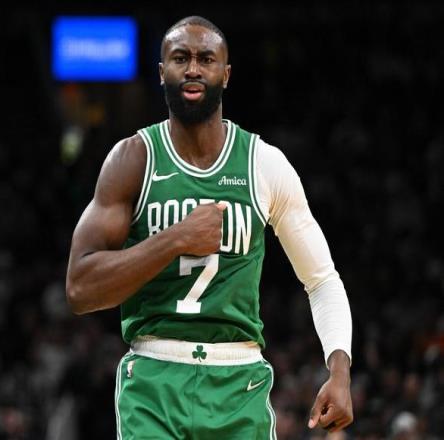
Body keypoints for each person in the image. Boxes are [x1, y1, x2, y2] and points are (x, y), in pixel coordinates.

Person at [66, 15, 353, 438]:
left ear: (226, 73)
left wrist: (340, 370)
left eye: (206, 59)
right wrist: (175, 239)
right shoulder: (133, 159)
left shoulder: (264, 163)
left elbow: (322, 279)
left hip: (239, 379)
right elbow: (80, 288)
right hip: (154, 380)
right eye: (180, 58)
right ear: (161, 71)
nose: (193, 69)